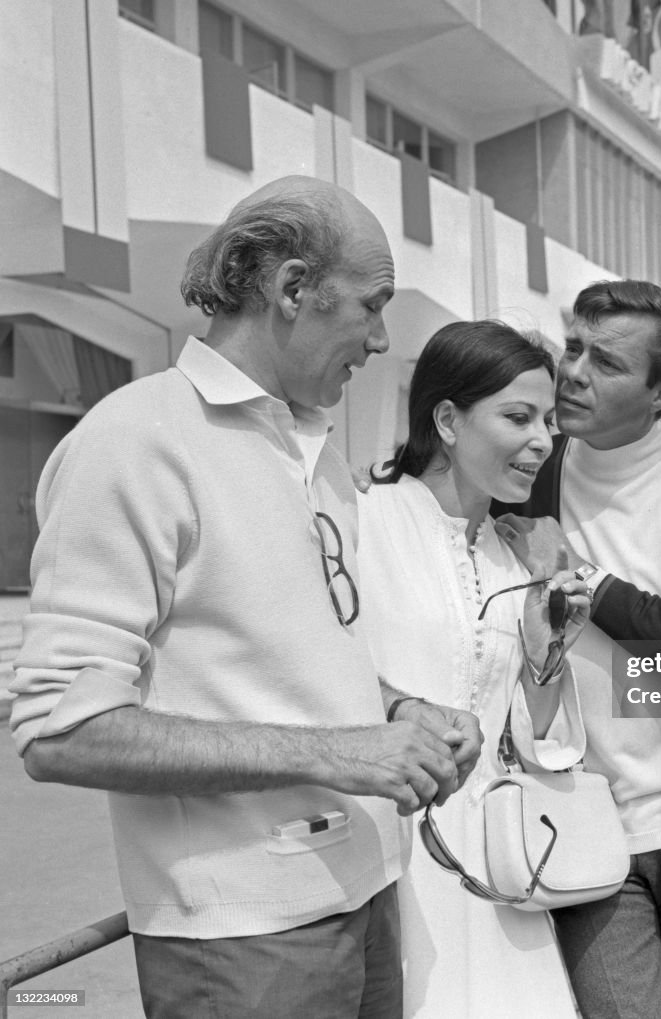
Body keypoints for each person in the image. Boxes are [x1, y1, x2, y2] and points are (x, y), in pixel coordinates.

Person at [9, 175, 482, 1019]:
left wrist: (401, 715)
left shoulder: (316, 447)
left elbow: (299, 669)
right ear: (294, 287)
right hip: (240, 938)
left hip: (368, 895)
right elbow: (60, 728)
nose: (380, 340)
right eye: (372, 307)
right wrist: (340, 753)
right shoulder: (134, 439)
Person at [496, 279, 661, 1019]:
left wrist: (582, 578)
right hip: (578, 821)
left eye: (607, 363)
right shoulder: (525, 475)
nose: (574, 371)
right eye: (573, 347)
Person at [356, 320, 590, 1018]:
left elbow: (532, 738)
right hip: (387, 858)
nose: (544, 439)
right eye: (518, 416)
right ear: (448, 419)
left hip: (497, 866)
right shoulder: (361, 519)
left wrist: (549, 647)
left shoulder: (514, 555)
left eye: (548, 419)